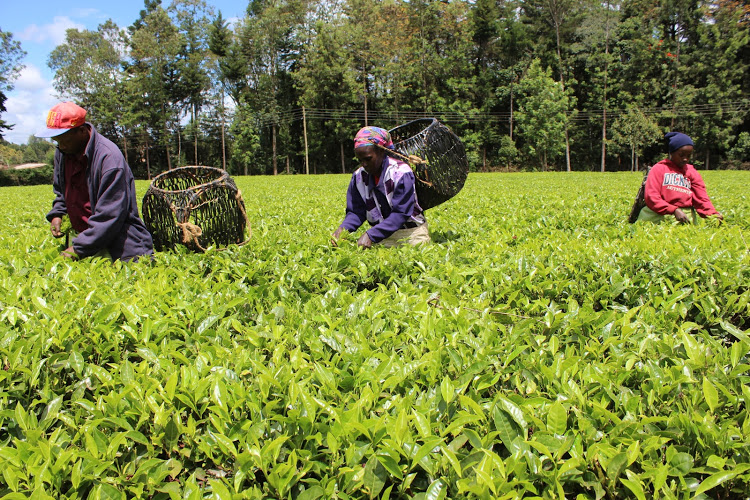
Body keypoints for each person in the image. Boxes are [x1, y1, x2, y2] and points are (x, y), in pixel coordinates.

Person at [36, 102, 154, 261]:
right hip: (86, 241)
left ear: (82, 131)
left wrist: (77, 249)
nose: (61, 145)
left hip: (119, 244)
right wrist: (58, 213)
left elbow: (110, 215)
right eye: (57, 140)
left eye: (64, 140)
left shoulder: (109, 159)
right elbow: (61, 190)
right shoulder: (63, 153)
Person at [331, 126, 430, 248]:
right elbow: (356, 212)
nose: (364, 164)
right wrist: (342, 229)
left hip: (411, 234)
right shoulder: (359, 177)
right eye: (360, 160)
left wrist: (371, 235)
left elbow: (401, 213)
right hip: (382, 237)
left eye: (368, 159)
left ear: (381, 152)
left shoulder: (400, 173)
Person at [637, 132, 723, 224]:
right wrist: (674, 210)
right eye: (681, 155)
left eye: (688, 155)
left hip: (685, 215)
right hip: (657, 214)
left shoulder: (691, 172)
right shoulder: (659, 169)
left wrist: (713, 214)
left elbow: (701, 198)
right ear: (672, 153)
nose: (685, 159)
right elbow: (651, 197)